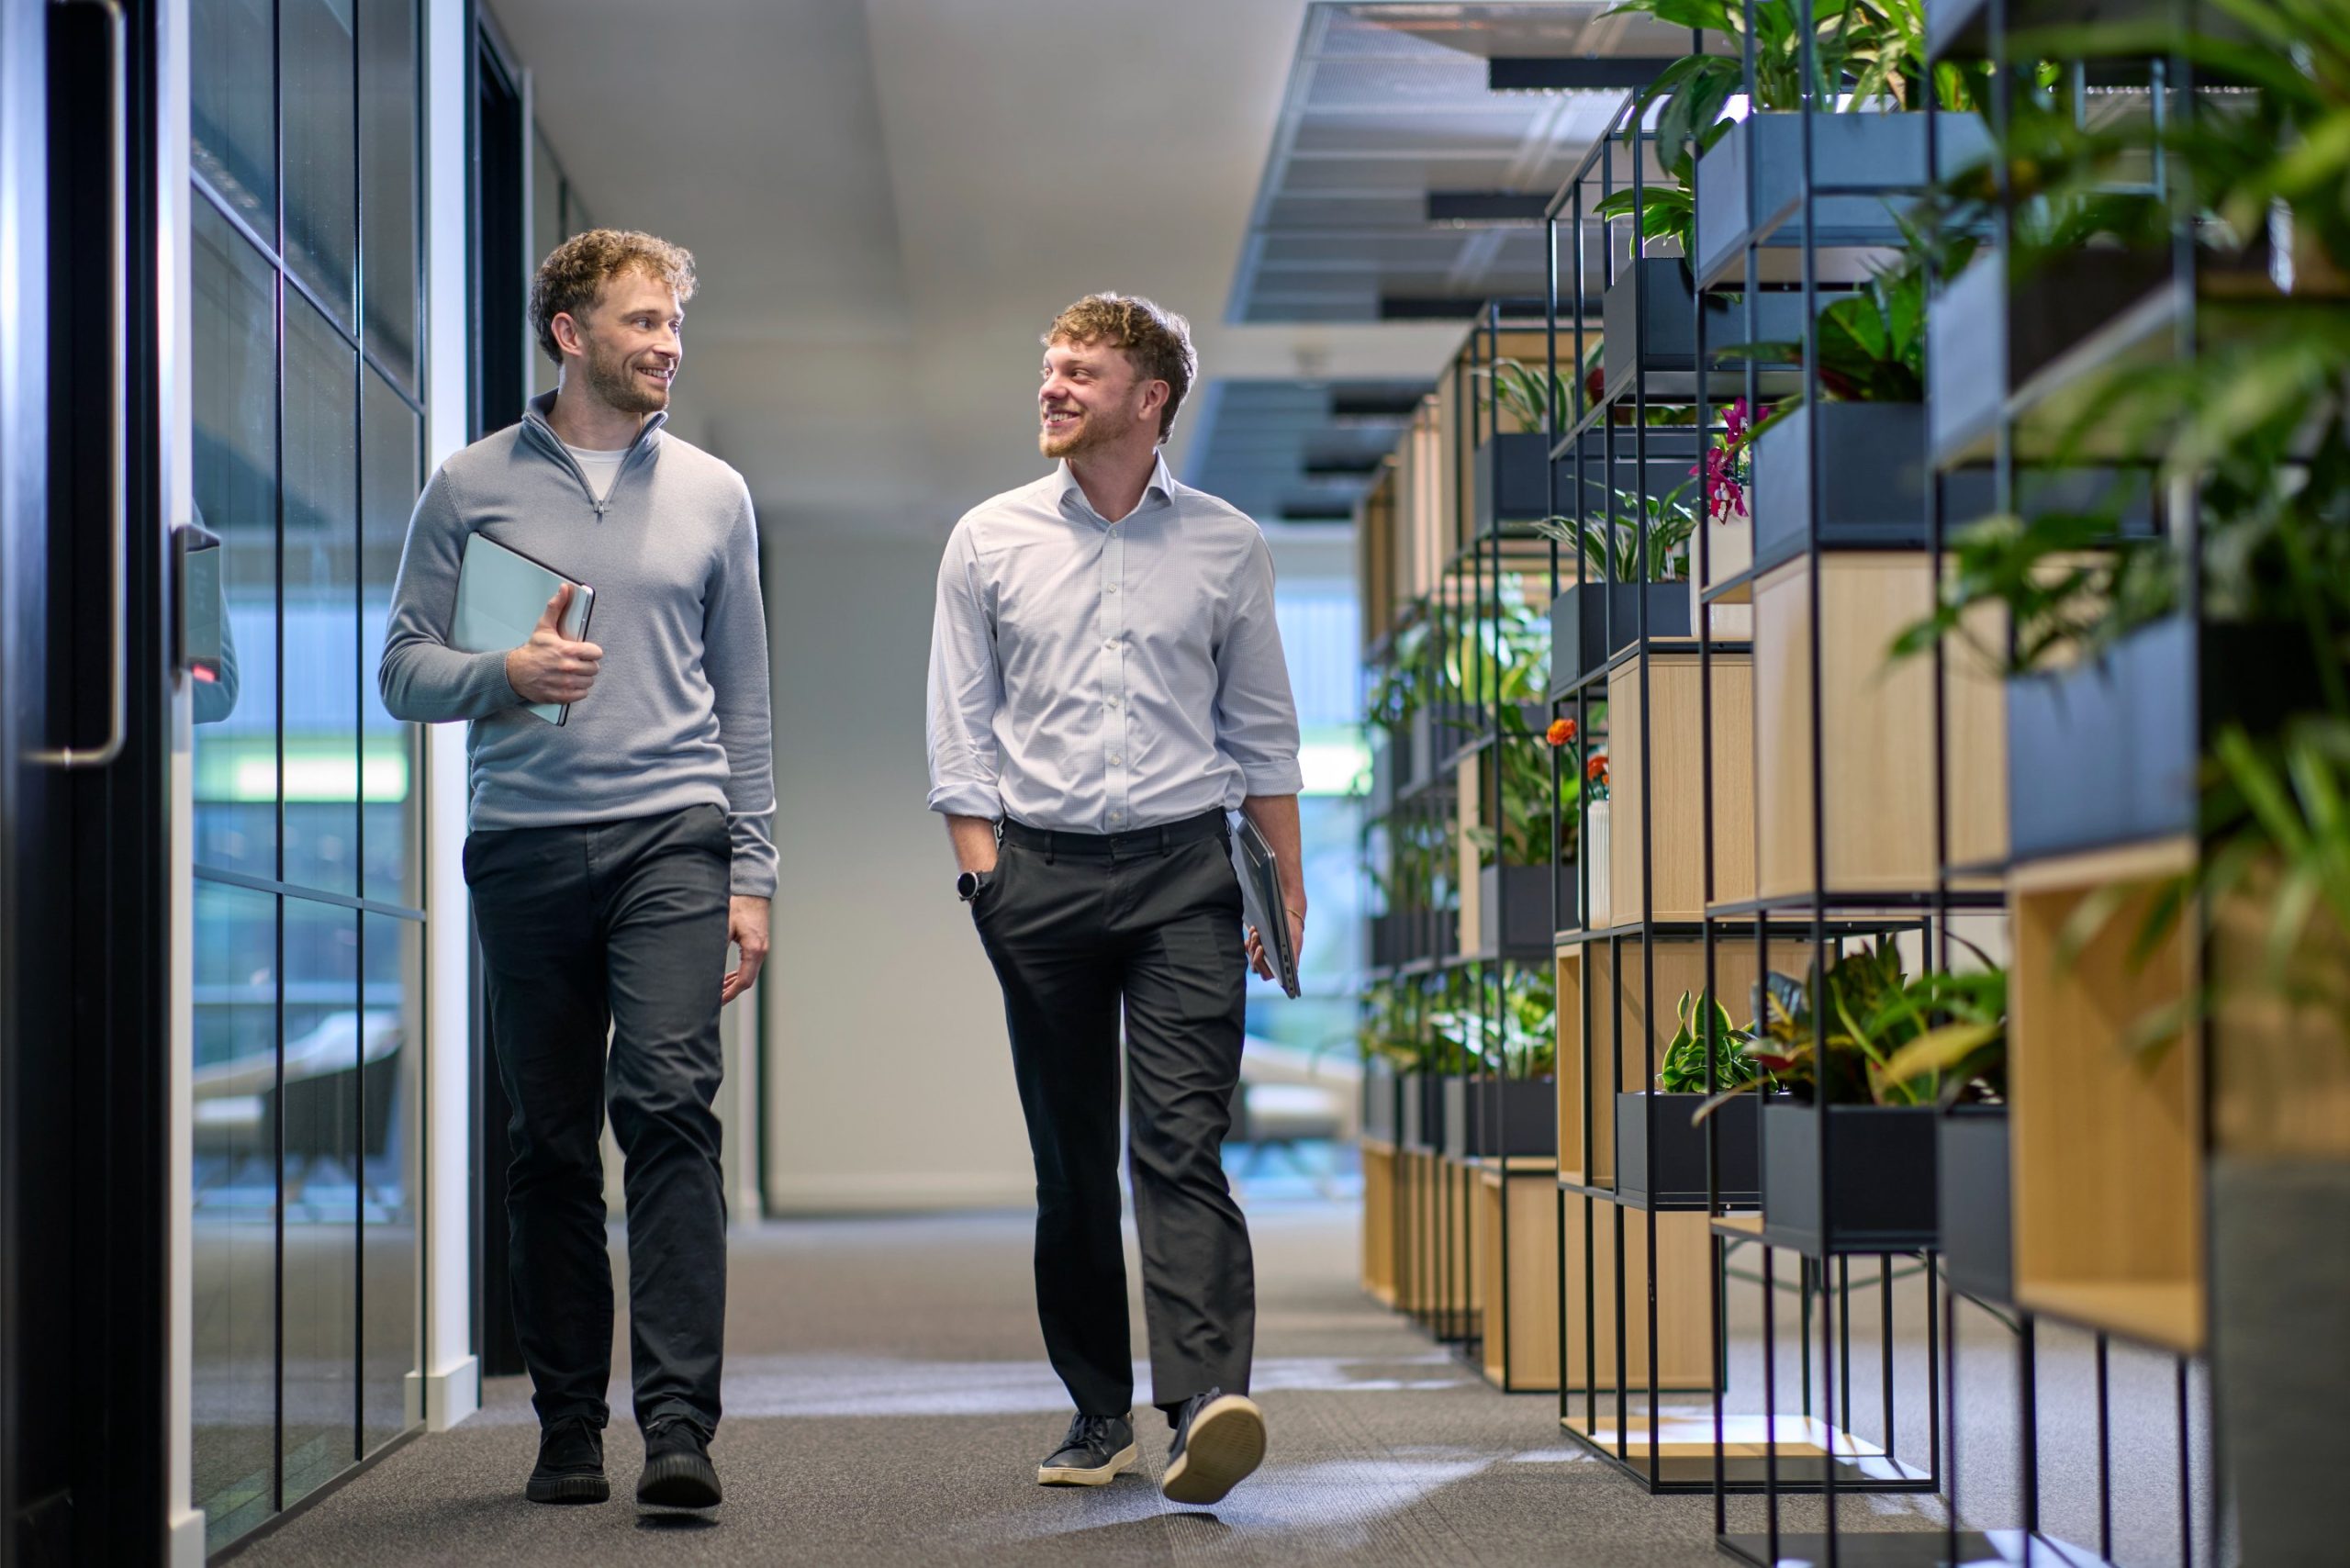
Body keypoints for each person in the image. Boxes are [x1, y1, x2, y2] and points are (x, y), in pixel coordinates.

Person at [378, 229, 774, 1511]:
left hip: (676, 828)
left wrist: (752, 874)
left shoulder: (715, 493)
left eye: (673, 325)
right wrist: (508, 674)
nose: (666, 344)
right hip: (527, 847)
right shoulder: (471, 484)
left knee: (666, 1105)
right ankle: (565, 1424)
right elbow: (399, 667)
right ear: (569, 331)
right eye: (643, 322)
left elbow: (746, 702)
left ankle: (676, 1428)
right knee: (547, 1140)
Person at [925, 293, 1306, 1506]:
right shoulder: (987, 539)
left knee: (1180, 1142)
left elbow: (1262, 733)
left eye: (1080, 372)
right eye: (1050, 368)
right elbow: (958, 727)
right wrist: (984, 873)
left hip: (1188, 875)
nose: (1052, 387)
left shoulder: (1226, 544)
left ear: (1149, 401)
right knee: (1074, 1160)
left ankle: (1203, 1406)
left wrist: (1279, 880)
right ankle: (1098, 1409)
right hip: (1036, 876)